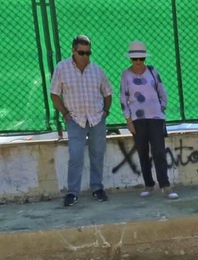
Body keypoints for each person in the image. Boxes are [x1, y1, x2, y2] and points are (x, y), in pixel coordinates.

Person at [49, 34, 113, 207]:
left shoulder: (97, 70)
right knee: (75, 156)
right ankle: (72, 192)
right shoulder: (62, 68)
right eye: (81, 52)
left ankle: (97, 188)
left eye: (88, 53)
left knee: (97, 154)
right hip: (75, 119)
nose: (85, 56)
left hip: (96, 119)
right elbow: (54, 94)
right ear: (73, 50)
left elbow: (108, 93)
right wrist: (65, 114)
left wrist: (105, 112)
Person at [120, 40, 177, 200]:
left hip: (155, 118)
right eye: (135, 58)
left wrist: (162, 107)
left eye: (141, 58)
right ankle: (149, 185)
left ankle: (165, 185)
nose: (138, 61)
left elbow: (162, 90)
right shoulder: (125, 74)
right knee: (142, 152)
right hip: (137, 119)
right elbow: (123, 97)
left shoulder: (152, 71)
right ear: (130, 59)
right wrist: (128, 120)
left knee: (159, 151)